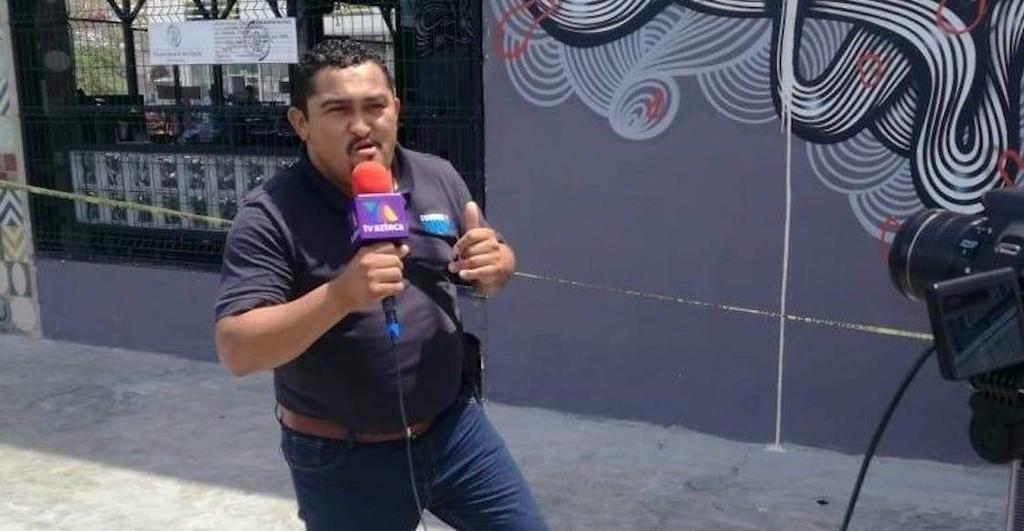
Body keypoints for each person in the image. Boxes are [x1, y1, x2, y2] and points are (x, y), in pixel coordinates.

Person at [213, 39, 549, 531]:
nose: (361, 125)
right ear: (300, 122)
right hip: (344, 458)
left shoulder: (437, 176)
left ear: (396, 108)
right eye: (338, 110)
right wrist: (340, 295)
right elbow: (237, 350)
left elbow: (486, 266)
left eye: (375, 106)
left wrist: (498, 264)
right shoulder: (269, 214)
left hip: (454, 429)